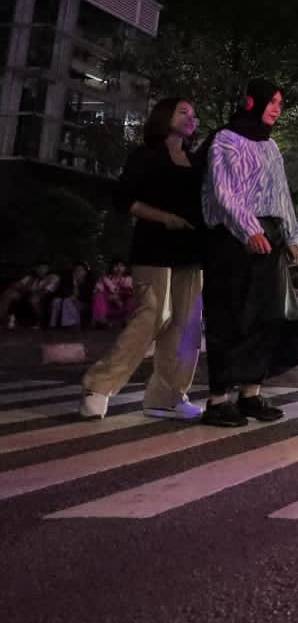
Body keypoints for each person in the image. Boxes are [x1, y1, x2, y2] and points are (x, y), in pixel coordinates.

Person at [80, 98, 207, 421]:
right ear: (165, 117)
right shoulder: (146, 155)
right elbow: (125, 200)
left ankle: (168, 396)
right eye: (183, 112)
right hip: (154, 246)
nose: (191, 118)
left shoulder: (195, 161)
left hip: (191, 251)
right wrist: (164, 217)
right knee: (153, 315)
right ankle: (98, 385)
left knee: (186, 327)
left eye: (193, 115)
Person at [199, 79, 298, 428]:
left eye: (280, 102)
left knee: (267, 317)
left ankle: (250, 393)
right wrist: (249, 229)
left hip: (270, 237)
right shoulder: (225, 140)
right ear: (252, 102)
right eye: (272, 101)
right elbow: (222, 192)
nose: (277, 108)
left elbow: (282, 195)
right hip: (233, 239)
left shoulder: (271, 147)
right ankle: (218, 400)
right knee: (231, 317)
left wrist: (291, 235)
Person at [2, 261, 60, 329]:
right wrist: (15, 288)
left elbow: (47, 291)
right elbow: (17, 285)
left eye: (44, 268)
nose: (41, 270)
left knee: (34, 299)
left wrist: (30, 292)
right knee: (9, 294)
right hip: (28, 295)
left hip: (45, 298)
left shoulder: (53, 277)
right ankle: (3, 319)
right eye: (39, 268)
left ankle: (40, 321)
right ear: (35, 269)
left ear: (49, 269)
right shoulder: (30, 277)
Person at [91, 259, 136, 328]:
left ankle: (128, 319)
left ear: (125, 268)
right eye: (116, 266)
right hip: (107, 308)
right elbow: (97, 291)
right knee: (98, 296)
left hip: (122, 307)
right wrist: (108, 297)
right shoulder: (104, 279)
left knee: (132, 299)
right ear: (111, 267)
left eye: (121, 266)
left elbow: (131, 292)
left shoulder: (128, 279)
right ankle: (101, 320)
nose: (118, 268)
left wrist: (118, 296)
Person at [49, 263, 91, 328]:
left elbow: (86, 298)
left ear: (85, 272)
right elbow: (62, 292)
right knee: (56, 301)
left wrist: (75, 297)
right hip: (68, 301)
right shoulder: (68, 282)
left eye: (80, 270)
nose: (78, 272)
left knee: (67, 301)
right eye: (76, 270)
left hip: (81, 303)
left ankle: (71, 324)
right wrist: (74, 283)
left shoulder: (87, 283)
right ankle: (53, 324)